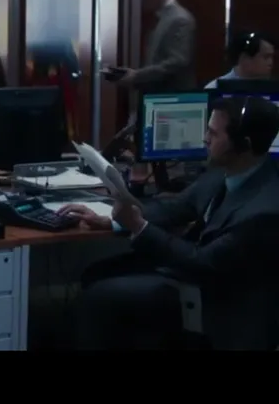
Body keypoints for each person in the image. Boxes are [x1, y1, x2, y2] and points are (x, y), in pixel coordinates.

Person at [60, 96, 279, 349]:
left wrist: (138, 226)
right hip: (189, 270)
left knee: (98, 298)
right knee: (95, 273)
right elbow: (177, 207)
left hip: (217, 301)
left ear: (245, 145)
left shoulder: (264, 211)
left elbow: (203, 262)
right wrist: (111, 220)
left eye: (213, 133)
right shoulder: (226, 170)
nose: (205, 139)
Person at [116, 0, 196, 92]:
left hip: (173, 97)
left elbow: (177, 62)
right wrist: (136, 76)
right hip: (160, 96)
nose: (143, 0)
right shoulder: (164, 17)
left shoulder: (179, 19)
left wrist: (137, 75)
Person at [205, 31, 273, 89]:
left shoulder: (273, 88)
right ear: (245, 58)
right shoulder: (214, 88)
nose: (271, 62)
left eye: (271, 57)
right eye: (266, 57)